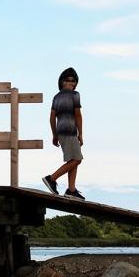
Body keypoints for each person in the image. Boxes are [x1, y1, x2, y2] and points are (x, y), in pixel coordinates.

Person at [42, 68, 85, 200]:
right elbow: (78, 115)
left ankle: (71, 190)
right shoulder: (75, 95)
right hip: (70, 131)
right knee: (77, 159)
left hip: (60, 131)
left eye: (73, 81)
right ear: (62, 82)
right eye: (68, 80)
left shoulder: (56, 97)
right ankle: (52, 178)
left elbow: (51, 117)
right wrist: (80, 134)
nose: (71, 83)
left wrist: (54, 134)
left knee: (73, 159)